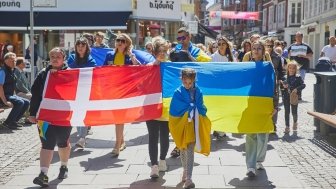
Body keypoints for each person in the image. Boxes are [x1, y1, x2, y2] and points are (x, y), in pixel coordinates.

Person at [29, 47, 72, 187]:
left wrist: (59, 76)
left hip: (64, 116)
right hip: (45, 116)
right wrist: (32, 113)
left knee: (62, 142)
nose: (54, 59)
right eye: (52, 56)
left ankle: (64, 166)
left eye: (58, 56)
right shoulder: (43, 74)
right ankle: (43, 174)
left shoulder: (71, 73)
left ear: (63, 58)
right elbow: (35, 94)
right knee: (47, 143)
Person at [169, 27, 211, 158]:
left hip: (193, 92)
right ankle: (179, 144)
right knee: (180, 117)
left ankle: (186, 146)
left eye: (183, 38)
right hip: (179, 92)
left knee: (191, 121)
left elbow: (208, 65)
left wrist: (189, 56)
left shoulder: (198, 51)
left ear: (189, 37)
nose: (181, 41)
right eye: (179, 38)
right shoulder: (175, 51)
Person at [169, 68, 211, 188]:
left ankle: (189, 178)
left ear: (194, 80)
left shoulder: (198, 91)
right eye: (185, 82)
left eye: (190, 83)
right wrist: (189, 107)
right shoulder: (178, 93)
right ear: (181, 79)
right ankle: (185, 170)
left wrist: (196, 107)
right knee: (182, 148)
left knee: (190, 149)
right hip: (182, 124)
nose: (187, 85)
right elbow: (174, 109)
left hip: (193, 124)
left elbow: (201, 106)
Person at [104, 33, 140, 157]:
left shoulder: (130, 57)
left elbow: (139, 68)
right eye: (118, 40)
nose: (119, 42)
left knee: (119, 118)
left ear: (127, 44)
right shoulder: (109, 55)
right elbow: (102, 71)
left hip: (125, 90)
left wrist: (131, 55)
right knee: (117, 118)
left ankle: (117, 145)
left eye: (123, 41)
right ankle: (122, 141)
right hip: (113, 90)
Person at [245, 41, 277, 178]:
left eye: (259, 48)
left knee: (263, 135)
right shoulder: (247, 67)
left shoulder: (268, 67)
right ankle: (250, 166)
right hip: (251, 103)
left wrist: (275, 105)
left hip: (264, 103)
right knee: (251, 135)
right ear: (251, 51)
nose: (256, 51)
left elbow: (274, 86)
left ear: (263, 51)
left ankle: (259, 160)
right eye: (254, 48)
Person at [145, 37, 170, 178]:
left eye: (165, 51)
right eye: (160, 51)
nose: (162, 53)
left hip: (166, 106)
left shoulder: (171, 66)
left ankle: (162, 160)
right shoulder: (149, 66)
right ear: (154, 52)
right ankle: (154, 165)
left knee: (165, 135)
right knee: (153, 136)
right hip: (151, 105)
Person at [67, 37, 97, 149]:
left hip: (85, 91)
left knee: (83, 113)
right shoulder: (71, 58)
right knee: (76, 114)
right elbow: (68, 70)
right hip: (73, 91)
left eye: (83, 46)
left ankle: (82, 138)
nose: (80, 48)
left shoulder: (90, 60)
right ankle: (81, 136)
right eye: (78, 46)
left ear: (86, 47)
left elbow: (93, 72)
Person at [210, 36, 234, 140]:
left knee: (225, 109)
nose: (220, 46)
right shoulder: (212, 57)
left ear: (227, 45)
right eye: (219, 44)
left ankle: (221, 129)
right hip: (216, 87)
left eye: (223, 44)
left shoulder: (231, 58)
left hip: (227, 87)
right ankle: (218, 129)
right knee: (216, 108)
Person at [0, 52, 30, 130]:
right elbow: (0, 87)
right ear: (5, 61)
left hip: (10, 95)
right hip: (3, 96)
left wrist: (15, 95)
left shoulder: (12, 70)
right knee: (20, 102)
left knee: (26, 102)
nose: (14, 62)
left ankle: (13, 121)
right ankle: (7, 123)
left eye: (15, 61)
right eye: (11, 61)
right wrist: (5, 101)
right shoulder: (3, 71)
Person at [282, 61, 305, 134]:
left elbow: (303, 85)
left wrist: (297, 89)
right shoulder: (284, 77)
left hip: (294, 97)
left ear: (296, 69)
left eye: (293, 68)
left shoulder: (298, 77)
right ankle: (287, 127)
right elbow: (281, 87)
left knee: (294, 112)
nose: (291, 69)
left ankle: (295, 122)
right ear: (287, 68)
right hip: (286, 96)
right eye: (290, 68)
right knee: (286, 112)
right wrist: (283, 86)